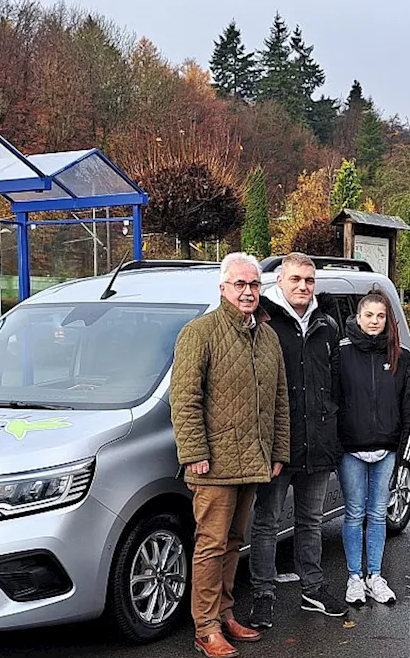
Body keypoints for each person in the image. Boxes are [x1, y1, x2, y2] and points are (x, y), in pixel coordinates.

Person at [171, 252, 289, 658]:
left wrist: (278, 451)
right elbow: (184, 399)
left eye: (254, 285)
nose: (247, 291)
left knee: (235, 541)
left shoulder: (268, 336)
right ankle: (205, 627)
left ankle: (224, 613)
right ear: (223, 288)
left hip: (252, 460)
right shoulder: (199, 332)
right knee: (210, 544)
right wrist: (194, 453)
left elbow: (279, 401)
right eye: (239, 284)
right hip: (214, 464)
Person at [248, 253, 348, 629]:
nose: (303, 286)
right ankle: (263, 594)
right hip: (278, 444)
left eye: (308, 279)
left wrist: (333, 427)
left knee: (310, 519)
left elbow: (335, 382)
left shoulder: (326, 324)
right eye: (295, 279)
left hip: (318, 442)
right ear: (280, 282)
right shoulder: (264, 321)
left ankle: (313, 588)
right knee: (267, 521)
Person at [336, 291, 410, 606]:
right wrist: (334, 446)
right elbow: (332, 400)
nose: (374, 321)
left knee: (377, 513)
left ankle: (375, 575)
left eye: (381, 316)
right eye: (369, 315)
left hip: (386, 450)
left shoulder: (400, 355)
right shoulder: (341, 353)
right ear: (358, 317)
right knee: (354, 513)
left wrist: (405, 458)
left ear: (388, 320)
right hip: (350, 451)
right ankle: (354, 577)